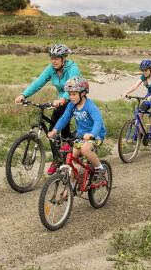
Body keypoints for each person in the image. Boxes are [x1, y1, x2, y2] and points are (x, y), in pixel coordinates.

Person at [15, 43, 81, 175]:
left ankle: (68, 149)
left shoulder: (72, 68)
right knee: (53, 130)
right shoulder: (51, 69)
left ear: (63, 58)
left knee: (61, 119)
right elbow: (38, 82)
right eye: (52, 57)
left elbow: (73, 85)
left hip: (75, 97)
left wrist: (63, 99)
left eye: (57, 58)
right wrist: (24, 94)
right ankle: (58, 158)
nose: (53, 61)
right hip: (61, 100)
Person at [48, 76, 107, 180]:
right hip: (81, 136)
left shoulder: (89, 105)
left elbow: (98, 121)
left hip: (96, 135)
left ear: (83, 93)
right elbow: (64, 118)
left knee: (85, 149)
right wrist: (55, 130)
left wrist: (92, 134)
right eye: (70, 94)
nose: (71, 97)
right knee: (71, 158)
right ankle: (69, 189)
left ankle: (100, 167)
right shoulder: (72, 105)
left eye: (74, 94)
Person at [121, 59, 151, 137]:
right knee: (139, 113)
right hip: (148, 98)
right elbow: (135, 86)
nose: (144, 72)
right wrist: (126, 93)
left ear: (150, 69)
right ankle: (141, 134)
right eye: (142, 70)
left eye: (145, 70)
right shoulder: (143, 77)